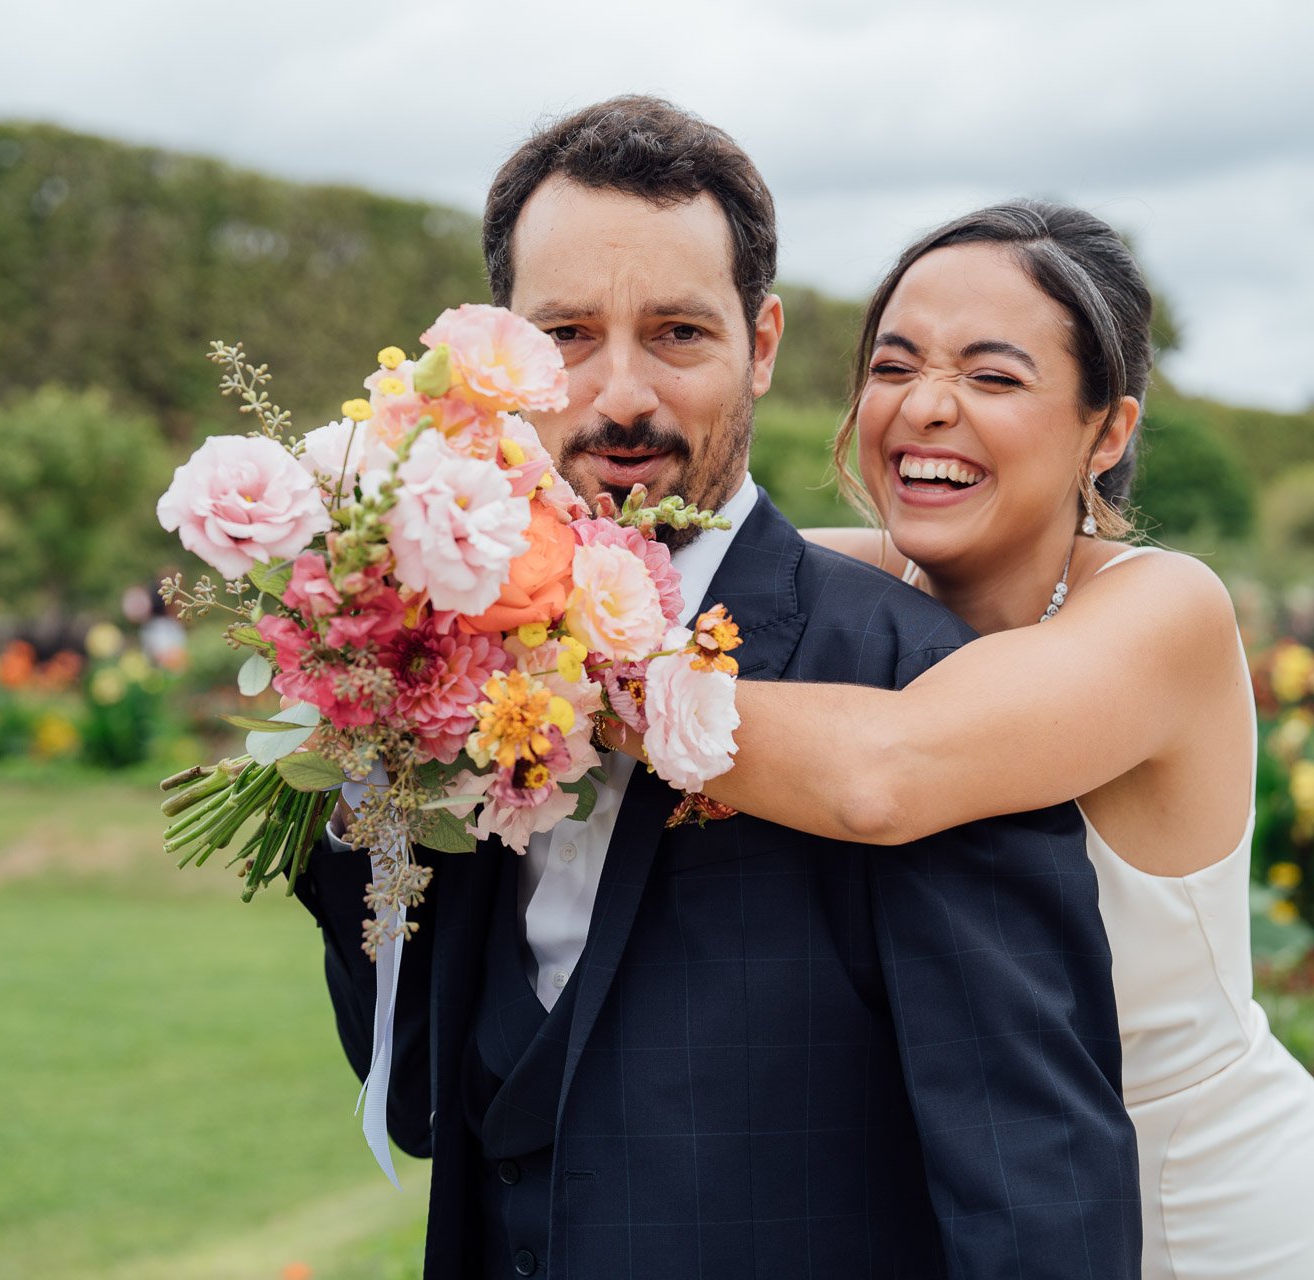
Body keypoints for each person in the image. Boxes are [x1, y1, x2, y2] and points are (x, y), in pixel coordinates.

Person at [290, 98, 1142, 1279]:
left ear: (765, 341)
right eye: (569, 334)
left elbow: (1034, 1186)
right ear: (498, 356)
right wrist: (361, 750)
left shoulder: (925, 681)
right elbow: (424, 1095)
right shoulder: (439, 640)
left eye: (680, 334)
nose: (622, 395)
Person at [626, 200, 1314, 1279]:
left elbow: (880, 776)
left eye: (992, 376)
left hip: (1198, 1200)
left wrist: (569, 675)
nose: (927, 407)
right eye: (895, 366)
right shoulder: (861, 583)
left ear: (1109, 430)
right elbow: (670, 563)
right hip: (996, 1195)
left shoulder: (1165, 607)